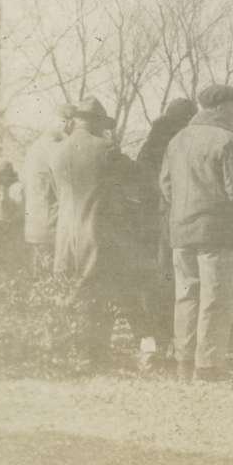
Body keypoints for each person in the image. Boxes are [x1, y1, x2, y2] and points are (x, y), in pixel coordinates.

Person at [159, 84, 233, 382]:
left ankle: (184, 362)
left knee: (186, 295)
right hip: (215, 231)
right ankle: (209, 365)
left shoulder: (177, 140)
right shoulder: (227, 140)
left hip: (181, 229)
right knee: (216, 296)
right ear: (220, 107)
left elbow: (165, 184)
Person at [50, 97, 149, 370]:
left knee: (72, 293)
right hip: (98, 232)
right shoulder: (106, 149)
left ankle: (73, 352)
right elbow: (135, 176)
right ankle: (98, 355)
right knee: (106, 294)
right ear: (95, 123)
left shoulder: (56, 152)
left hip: (65, 235)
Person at [136, 98, 198, 364]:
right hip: (170, 219)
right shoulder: (180, 143)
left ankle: (155, 338)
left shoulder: (150, 144)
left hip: (148, 221)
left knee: (154, 281)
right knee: (174, 278)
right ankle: (175, 338)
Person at [22, 105, 73, 277]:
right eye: (69, 126)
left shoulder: (34, 148)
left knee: (40, 283)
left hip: (35, 227)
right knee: (52, 283)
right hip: (51, 229)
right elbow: (65, 192)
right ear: (63, 123)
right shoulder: (55, 149)